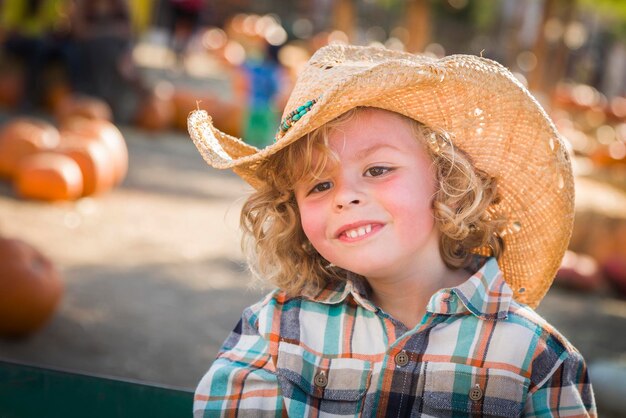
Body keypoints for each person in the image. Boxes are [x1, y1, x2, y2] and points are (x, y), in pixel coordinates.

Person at [187, 44, 596, 417]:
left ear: (448, 183)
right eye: (319, 185)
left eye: (377, 170)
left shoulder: (533, 356)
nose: (345, 197)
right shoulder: (276, 332)